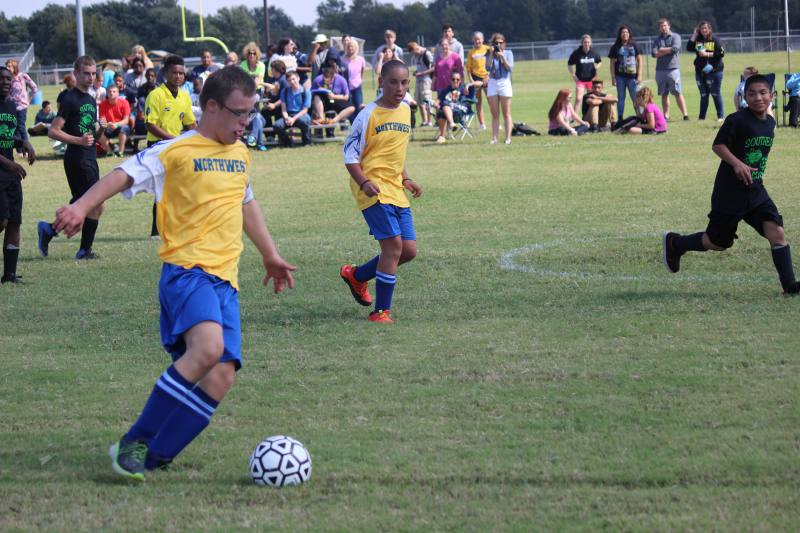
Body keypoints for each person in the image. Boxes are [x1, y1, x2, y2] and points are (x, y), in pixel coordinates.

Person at [49, 65, 296, 481]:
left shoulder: (240, 153)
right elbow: (121, 174)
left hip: (226, 281)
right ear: (211, 107)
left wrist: (270, 255)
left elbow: (245, 202)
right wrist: (80, 207)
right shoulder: (176, 151)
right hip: (187, 272)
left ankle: (153, 457)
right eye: (239, 114)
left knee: (220, 376)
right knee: (207, 349)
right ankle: (136, 439)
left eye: (250, 114)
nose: (245, 123)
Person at [663, 74, 799, 295]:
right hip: (730, 192)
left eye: (763, 93)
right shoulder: (737, 120)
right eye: (752, 94)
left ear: (772, 95)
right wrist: (737, 164)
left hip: (755, 191)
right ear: (744, 96)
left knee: (777, 233)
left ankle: (790, 286)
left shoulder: (771, 123)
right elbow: (718, 146)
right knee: (717, 242)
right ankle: (675, 244)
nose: (758, 98)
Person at [341, 59, 422, 324]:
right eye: (393, 82)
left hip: (395, 188)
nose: (399, 88)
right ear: (381, 82)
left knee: (408, 250)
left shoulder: (406, 111)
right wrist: (364, 182)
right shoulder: (368, 115)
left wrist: (406, 178)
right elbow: (349, 156)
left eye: (404, 82)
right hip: (372, 189)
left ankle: (357, 276)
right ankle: (380, 312)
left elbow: (395, 152)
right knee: (393, 247)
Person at [38, 55, 103, 261]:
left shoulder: (91, 99)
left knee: (86, 203)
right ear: (76, 74)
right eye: (86, 73)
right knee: (95, 203)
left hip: (89, 158)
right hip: (77, 159)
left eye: (93, 73)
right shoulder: (70, 98)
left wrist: (103, 132)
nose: (90, 77)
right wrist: (79, 141)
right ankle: (84, 250)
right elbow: (54, 131)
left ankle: (50, 230)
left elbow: (90, 127)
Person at [144, 54, 196, 237]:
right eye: (175, 72)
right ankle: (156, 230)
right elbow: (150, 124)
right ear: (166, 73)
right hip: (158, 146)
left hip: (177, 146)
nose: (178, 76)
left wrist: (201, 138)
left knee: (179, 187)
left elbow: (190, 123)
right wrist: (173, 140)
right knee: (162, 188)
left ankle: (174, 226)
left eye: (181, 73)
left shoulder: (184, 96)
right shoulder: (155, 95)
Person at [0, 65, 36, 284]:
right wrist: (8, 164)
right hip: (4, 170)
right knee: (1, 220)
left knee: (14, 221)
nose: (6, 82)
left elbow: (5, 136)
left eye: (8, 79)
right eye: (1, 78)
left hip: (10, 173)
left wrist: (23, 142)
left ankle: (9, 275)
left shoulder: (12, 106)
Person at [652, 18, 689, 121]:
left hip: (673, 70)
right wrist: (667, 50)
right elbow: (653, 53)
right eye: (661, 26)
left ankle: (685, 115)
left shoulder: (675, 36)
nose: (663, 28)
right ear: (659, 28)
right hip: (660, 70)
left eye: (665, 25)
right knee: (664, 94)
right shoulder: (657, 39)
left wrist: (661, 50)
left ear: (669, 26)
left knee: (677, 92)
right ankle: (666, 116)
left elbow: (675, 49)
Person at [687, 21, 725, 121]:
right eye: (702, 28)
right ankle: (701, 117)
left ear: (709, 29)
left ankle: (720, 116)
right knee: (704, 95)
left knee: (715, 94)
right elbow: (689, 48)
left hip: (715, 71)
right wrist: (694, 35)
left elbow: (721, 53)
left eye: (705, 28)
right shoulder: (698, 40)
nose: (704, 30)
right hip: (700, 72)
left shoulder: (714, 39)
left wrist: (707, 55)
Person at [608, 26, 643, 121]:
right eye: (623, 32)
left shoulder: (635, 44)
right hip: (620, 77)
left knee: (635, 98)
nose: (625, 34)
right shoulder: (615, 46)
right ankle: (620, 119)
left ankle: (640, 117)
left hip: (632, 77)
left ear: (629, 33)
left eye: (626, 32)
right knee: (621, 98)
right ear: (620, 34)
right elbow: (612, 63)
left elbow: (640, 60)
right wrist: (613, 77)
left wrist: (639, 75)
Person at [486, 33, 514, 145]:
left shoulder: (508, 53)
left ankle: (508, 138)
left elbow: (509, 68)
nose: (498, 45)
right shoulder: (489, 54)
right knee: (495, 114)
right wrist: (492, 55)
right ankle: (494, 138)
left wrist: (502, 56)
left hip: (504, 82)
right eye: (496, 43)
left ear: (504, 44)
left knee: (506, 113)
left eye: (500, 43)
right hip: (493, 82)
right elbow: (487, 67)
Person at [273, 70, 312, 147]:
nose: (292, 81)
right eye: (289, 80)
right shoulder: (285, 91)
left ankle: (306, 142)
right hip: (289, 115)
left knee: (304, 121)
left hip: (301, 115)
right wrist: (287, 118)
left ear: (298, 78)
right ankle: (288, 142)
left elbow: (305, 110)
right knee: (277, 125)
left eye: (293, 79)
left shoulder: (305, 91)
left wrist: (293, 119)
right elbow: (283, 109)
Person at [567, 35, 602, 116]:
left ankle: (590, 116)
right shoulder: (576, 53)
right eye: (585, 42)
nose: (587, 44)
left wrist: (597, 67)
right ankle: (574, 117)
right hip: (580, 80)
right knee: (579, 98)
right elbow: (569, 64)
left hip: (591, 80)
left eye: (588, 42)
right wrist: (573, 75)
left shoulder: (594, 53)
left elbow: (599, 61)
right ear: (582, 43)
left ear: (591, 43)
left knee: (591, 98)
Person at [434, 71, 472, 143]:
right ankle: (442, 136)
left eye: (458, 79)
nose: (455, 81)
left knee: (445, 104)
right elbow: (437, 101)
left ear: (460, 80)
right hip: (448, 112)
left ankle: (451, 124)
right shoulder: (445, 90)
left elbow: (481, 83)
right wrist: (434, 104)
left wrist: (469, 85)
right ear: (450, 80)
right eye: (453, 79)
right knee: (441, 112)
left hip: (459, 112)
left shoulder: (463, 88)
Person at [5, 59, 38, 141]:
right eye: (6, 66)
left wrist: (28, 100)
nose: (7, 68)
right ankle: (19, 151)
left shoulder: (23, 76)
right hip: (10, 107)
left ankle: (28, 148)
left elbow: (34, 88)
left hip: (21, 106)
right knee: (14, 128)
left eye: (9, 66)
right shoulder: (6, 78)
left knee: (20, 126)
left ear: (14, 67)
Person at [99, 85, 133, 155]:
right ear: (107, 93)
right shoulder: (102, 105)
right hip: (108, 126)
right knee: (97, 130)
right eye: (110, 91)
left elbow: (126, 120)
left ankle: (120, 152)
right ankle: (109, 152)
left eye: (114, 92)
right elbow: (102, 120)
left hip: (120, 126)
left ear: (118, 93)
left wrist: (116, 124)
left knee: (124, 128)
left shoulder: (125, 102)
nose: (111, 93)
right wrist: (108, 124)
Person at [406, 41, 434, 127]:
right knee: (418, 101)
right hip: (418, 81)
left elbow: (433, 68)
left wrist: (422, 73)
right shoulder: (417, 56)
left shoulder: (427, 54)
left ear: (416, 48)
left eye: (414, 52)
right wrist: (416, 72)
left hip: (426, 80)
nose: (414, 54)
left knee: (427, 100)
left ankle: (429, 121)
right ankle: (424, 121)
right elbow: (420, 67)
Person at [466, 32, 489, 130]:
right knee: (478, 102)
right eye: (475, 39)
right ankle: (482, 124)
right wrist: (471, 81)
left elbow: (492, 64)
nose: (477, 41)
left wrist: (488, 76)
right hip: (476, 78)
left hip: (487, 78)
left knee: (492, 101)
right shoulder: (471, 52)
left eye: (479, 39)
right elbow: (468, 69)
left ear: (483, 39)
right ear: (473, 40)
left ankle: (497, 123)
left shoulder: (487, 49)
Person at [342, 39, 367, 113]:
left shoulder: (361, 60)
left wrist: (359, 81)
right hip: (345, 88)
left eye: (352, 46)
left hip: (357, 87)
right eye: (349, 46)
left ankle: (359, 124)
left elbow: (362, 73)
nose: (350, 48)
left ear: (356, 48)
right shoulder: (342, 59)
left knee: (359, 108)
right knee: (348, 109)